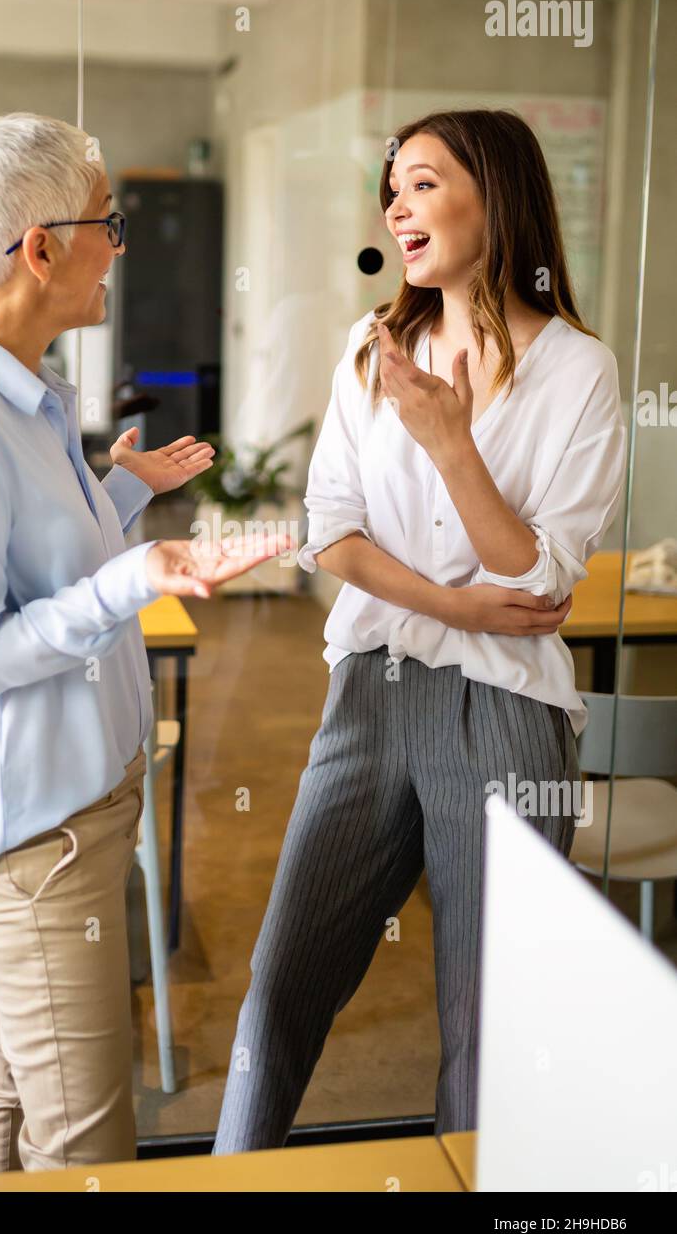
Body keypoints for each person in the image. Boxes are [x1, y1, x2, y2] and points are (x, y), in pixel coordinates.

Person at [0, 111, 285, 1174]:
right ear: (40, 248)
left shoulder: (24, 394)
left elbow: (34, 568)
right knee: (87, 1148)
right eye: (108, 221)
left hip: (73, 820)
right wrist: (129, 580)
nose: (120, 243)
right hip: (35, 842)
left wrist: (115, 493)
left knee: (12, 1106)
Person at [213, 108, 628, 1148]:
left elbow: (533, 576)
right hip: (368, 693)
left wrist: (451, 446)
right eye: (390, 189)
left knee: (487, 1033)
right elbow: (327, 534)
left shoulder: (577, 371)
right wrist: (447, 604)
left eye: (423, 183)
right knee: (277, 992)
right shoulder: (372, 345)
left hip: (505, 714)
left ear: (497, 194)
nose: (396, 206)